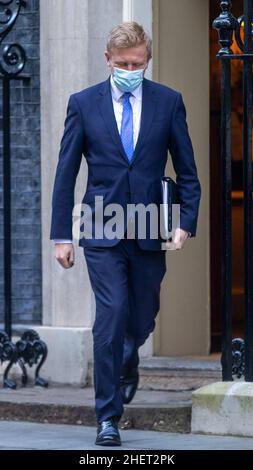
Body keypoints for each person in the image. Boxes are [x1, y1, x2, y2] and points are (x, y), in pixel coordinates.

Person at [50, 22, 201, 447]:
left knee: (140, 318)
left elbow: (188, 172)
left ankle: (128, 358)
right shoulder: (83, 104)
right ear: (108, 61)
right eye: (122, 64)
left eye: (136, 64)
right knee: (111, 315)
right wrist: (62, 234)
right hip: (101, 228)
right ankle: (107, 417)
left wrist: (185, 223)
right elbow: (66, 174)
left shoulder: (169, 102)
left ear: (147, 61)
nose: (129, 69)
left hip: (151, 230)